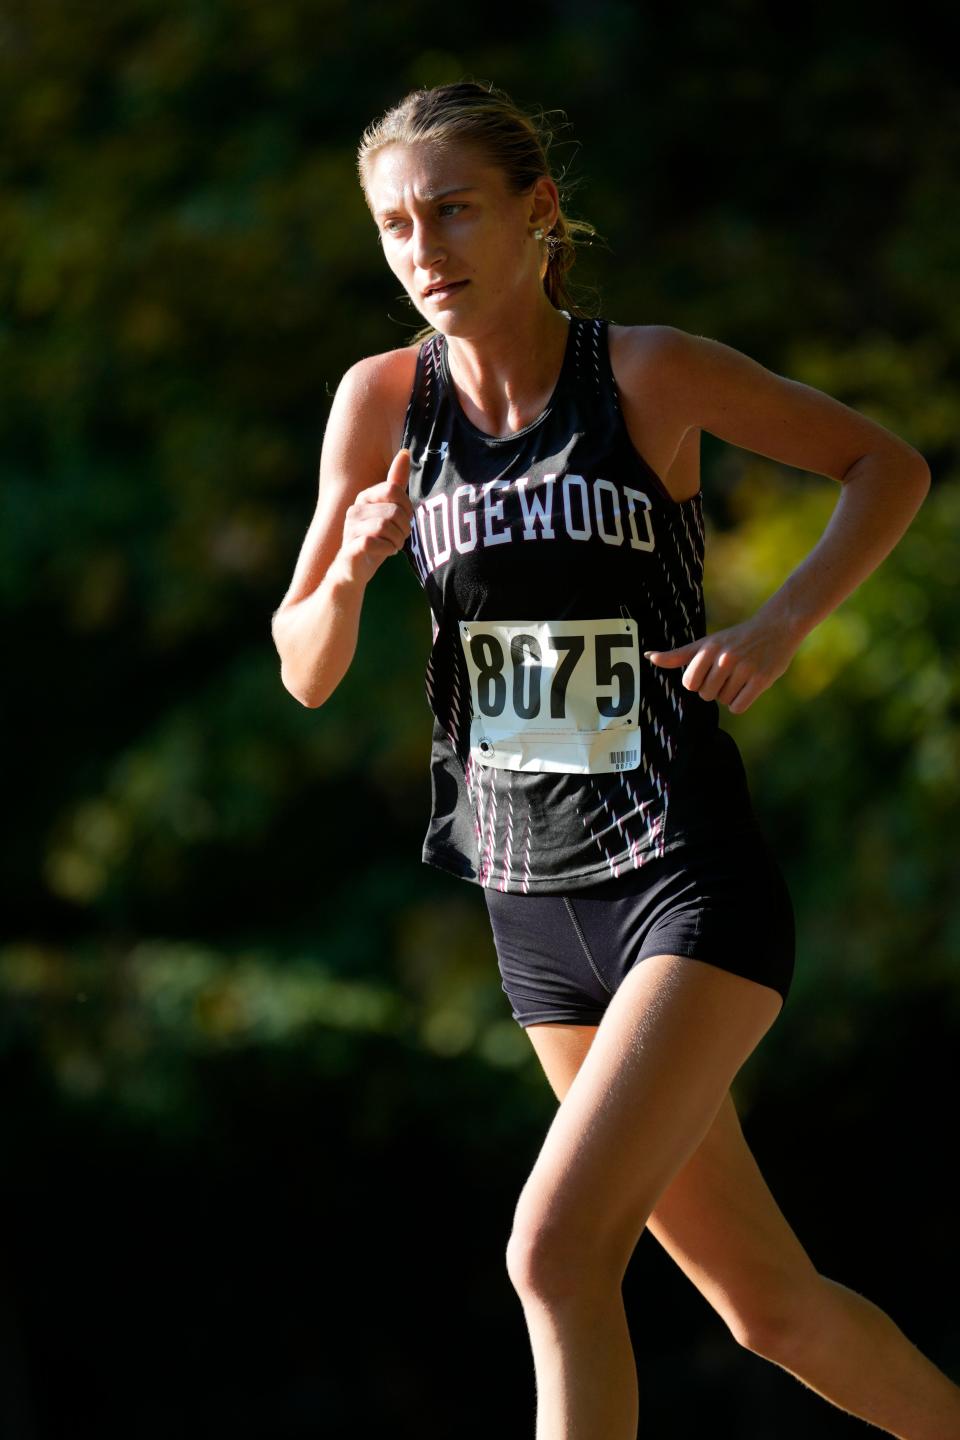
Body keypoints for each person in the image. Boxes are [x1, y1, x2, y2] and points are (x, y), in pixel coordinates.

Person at [271, 79, 958, 1439]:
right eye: (397, 228)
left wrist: (780, 623)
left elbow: (885, 465)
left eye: (454, 211)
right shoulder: (380, 403)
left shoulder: (646, 372)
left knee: (552, 1252)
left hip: (683, 884)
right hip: (530, 909)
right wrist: (346, 572)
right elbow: (304, 668)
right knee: (766, 1307)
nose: (425, 250)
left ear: (539, 213)